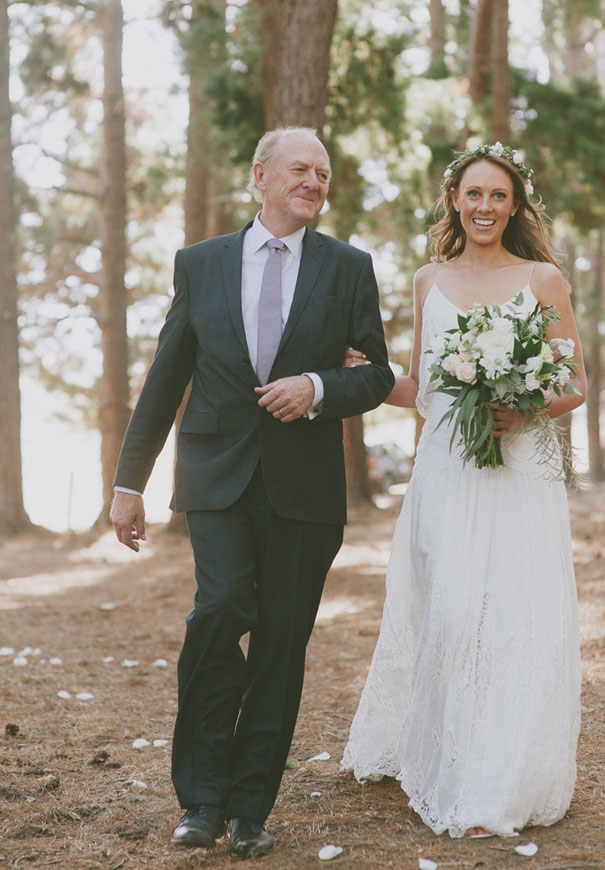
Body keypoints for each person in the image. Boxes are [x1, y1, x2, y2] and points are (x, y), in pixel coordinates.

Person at [110, 126, 394, 858]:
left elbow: (375, 375)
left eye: (323, 172)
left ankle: (248, 810)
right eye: (300, 168)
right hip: (216, 477)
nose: (314, 181)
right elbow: (167, 374)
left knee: (280, 642)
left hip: (304, 488)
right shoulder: (200, 264)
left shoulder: (348, 267)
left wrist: (318, 386)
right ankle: (200, 798)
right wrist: (128, 481)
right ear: (260, 177)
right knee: (222, 606)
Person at [341, 144, 586, 839]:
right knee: (449, 612)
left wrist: (523, 409)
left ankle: (497, 779)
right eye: (472, 194)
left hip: (515, 476)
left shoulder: (541, 278)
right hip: (445, 471)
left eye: (497, 196)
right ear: (454, 200)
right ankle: (446, 751)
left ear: (515, 206)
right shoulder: (427, 279)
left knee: (509, 615)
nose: (483, 207)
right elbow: (422, 393)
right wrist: (365, 374)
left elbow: (574, 386)